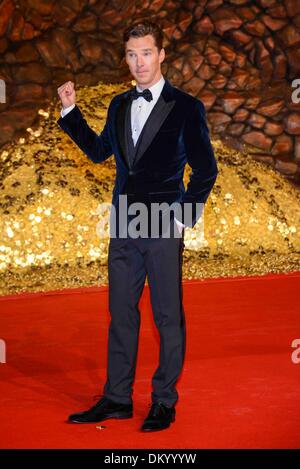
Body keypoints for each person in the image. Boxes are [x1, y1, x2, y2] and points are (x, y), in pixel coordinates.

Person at [57, 20, 218, 432]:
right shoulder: (119, 105)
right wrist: (71, 112)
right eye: (131, 54)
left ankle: (164, 400)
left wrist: (184, 215)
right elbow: (97, 152)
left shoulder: (186, 107)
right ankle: (116, 398)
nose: (138, 62)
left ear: (162, 54)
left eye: (146, 52)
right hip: (124, 221)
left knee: (167, 316)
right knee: (120, 314)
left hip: (164, 223)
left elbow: (205, 170)